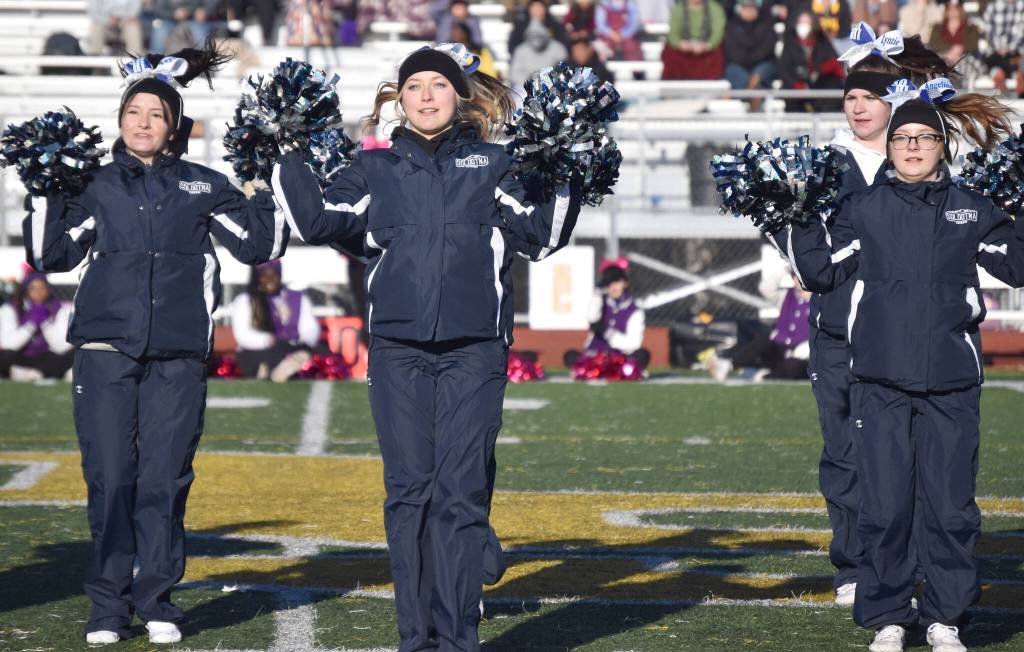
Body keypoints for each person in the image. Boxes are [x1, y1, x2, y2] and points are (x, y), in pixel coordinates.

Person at [269, 42, 584, 651]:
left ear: (460, 95)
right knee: (409, 492)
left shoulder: (497, 163)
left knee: (461, 493)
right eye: (414, 87)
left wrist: (569, 163)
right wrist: (286, 148)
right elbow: (318, 220)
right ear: (400, 99)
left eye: (438, 85)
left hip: (475, 350)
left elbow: (543, 236)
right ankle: (416, 639)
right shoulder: (375, 168)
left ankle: (459, 637)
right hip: (398, 350)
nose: (427, 96)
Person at [21, 41, 286, 646]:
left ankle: (158, 599)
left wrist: (267, 181)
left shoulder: (203, 186)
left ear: (174, 127)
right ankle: (109, 606)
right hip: (105, 352)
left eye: (157, 114)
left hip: (178, 356)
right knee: (112, 479)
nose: (144, 122)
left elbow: (259, 246)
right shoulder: (92, 184)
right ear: (120, 119)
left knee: (165, 481)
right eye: (135, 111)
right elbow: (51, 255)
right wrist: (43, 188)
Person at [788, 77, 1019, 652]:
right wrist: (791, 210)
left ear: (943, 146)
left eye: (924, 138)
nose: (913, 147)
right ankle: (888, 615)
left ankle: (946, 618)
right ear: (889, 147)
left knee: (950, 508)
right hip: (879, 380)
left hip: (952, 383)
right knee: (886, 505)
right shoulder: (862, 209)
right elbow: (819, 272)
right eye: (902, 139)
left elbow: (1017, 266)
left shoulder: (972, 209)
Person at [769, 22, 957, 608]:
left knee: (914, 455)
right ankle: (854, 563)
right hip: (837, 327)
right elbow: (796, 233)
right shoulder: (824, 162)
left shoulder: (924, 155)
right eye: (848, 97)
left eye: (867, 97)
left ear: (893, 100)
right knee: (844, 452)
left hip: (910, 333)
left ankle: (918, 561)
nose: (855, 107)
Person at [703, 279, 811, 381]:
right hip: (780, 350)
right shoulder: (785, 295)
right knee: (763, 341)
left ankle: (762, 377)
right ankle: (728, 365)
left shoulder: (820, 300)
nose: (798, 280)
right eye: (795, 276)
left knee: (792, 366)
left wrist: (809, 346)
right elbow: (765, 288)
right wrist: (784, 269)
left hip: (803, 358)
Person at [231, 260, 320, 381]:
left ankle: (286, 367)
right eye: (264, 276)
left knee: (320, 353)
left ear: (280, 276)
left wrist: (305, 340)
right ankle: (272, 370)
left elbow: (310, 327)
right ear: (258, 278)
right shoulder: (246, 300)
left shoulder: (298, 298)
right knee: (272, 355)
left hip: (292, 347)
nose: (270, 279)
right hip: (258, 350)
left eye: (274, 275)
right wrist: (267, 340)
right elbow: (242, 335)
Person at [565, 260, 649, 368]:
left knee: (641, 355)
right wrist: (597, 294)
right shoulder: (601, 302)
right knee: (570, 356)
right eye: (610, 283)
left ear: (625, 283)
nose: (613, 287)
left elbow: (634, 343)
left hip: (620, 358)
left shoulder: (635, 311)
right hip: (594, 356)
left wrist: (610, 334)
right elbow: (592, 317)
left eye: (617, 282)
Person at [0, 271, 74, 380]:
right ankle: (26, 372)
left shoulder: (57, 309)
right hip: (20, 356)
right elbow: (8, 344)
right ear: (26, 290)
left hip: (46, 357)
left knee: (74, 354)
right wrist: (31, 324)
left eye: (42, 288)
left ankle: (27, 373)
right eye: (33, 288)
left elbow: (61, 347)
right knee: (5, 356)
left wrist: (44, 323)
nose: (38, 293)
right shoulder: (11, 308)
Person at [777, 10, 844, 112]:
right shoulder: (790, 44)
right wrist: (796, 83)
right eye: (800, 22)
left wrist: (821, 69)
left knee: (833, 83)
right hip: (797, 84)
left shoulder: (822, 42)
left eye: (806, 23)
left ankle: (828, 118)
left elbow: (835, 61)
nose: (802, 26)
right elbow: (784, 69)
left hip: (819, 83)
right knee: (789, 90)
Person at [661, 0, 726, 80]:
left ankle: (709, 83)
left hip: (705, 50)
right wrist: (680, 44)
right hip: (683, 50)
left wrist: (707, 46)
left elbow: (717, 34)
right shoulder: (678, 8)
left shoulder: (714, 8)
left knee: (717, 52)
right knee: (670, 51)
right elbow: (672, 34)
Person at [723, 0, 776, 93]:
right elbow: (731, 50)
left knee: (763, 71)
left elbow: (768, 47)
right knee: (734, 71)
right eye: (746, 8)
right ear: (740, 9)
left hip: (761, 63)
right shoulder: (731, 25)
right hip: (738, 63)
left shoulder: (766, 24)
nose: (749, 11)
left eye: (752, 8)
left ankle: (752, 90)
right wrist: (746, 59)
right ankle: (752, 93)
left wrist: (753, 58)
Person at [979, 0, 1024, 95]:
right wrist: (999, 47)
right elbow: (987, 32)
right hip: (995, 54)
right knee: (998, 74)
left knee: (1020, 75)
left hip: (1016, 56)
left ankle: (1019, 97)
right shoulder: (992, 7)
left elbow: (1021, 33)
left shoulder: (1022, 6)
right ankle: (1006, 98)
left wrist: (1010, 48)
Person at [509, 20, 569, 90]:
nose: (536, 40)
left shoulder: (557, 48)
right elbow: (514, 74)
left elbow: (565, 68)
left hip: (552, 86)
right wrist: (530, 80)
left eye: (539, 36)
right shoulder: (520, 50)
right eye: (533, 36)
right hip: (526, 87)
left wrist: (549, 79)